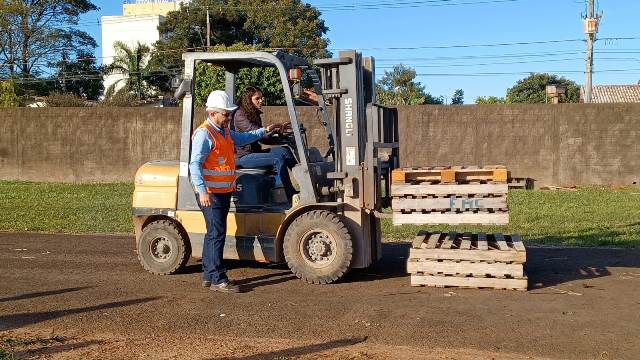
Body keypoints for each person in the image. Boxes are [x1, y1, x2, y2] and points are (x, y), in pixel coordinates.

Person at [189, 90, 282, 293]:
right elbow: (194, 164)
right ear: (213, 113)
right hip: (211, 193)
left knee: (213, 232)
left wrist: (264, 130)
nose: (229, 117)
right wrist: (202, 191)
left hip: (221, 191)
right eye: (225, 114)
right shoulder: (204, 133)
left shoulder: (224, 131)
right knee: (217, 233)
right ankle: (217, 278)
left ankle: (208, 274)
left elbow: (242, 138)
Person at [232, 86, 297, 201]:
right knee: (277, 158)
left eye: (261, 98)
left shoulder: (253, 114)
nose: (261, 101)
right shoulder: (240, 115)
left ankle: (305, 185)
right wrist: (272, 130)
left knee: (285, 151)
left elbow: (263, 139)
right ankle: (290, 195)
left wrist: (280, 135)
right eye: (257, 98)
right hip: (242, 157)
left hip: (252, 153)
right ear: (248, 100)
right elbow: (254, 134)